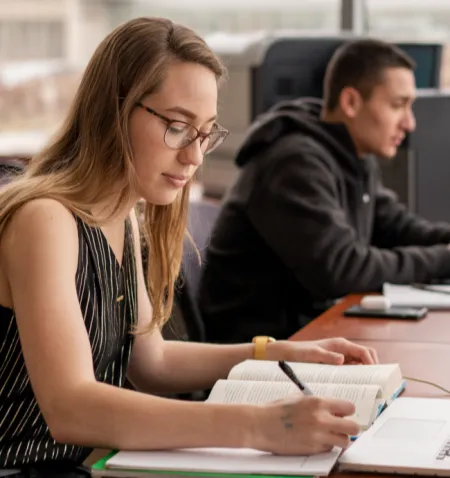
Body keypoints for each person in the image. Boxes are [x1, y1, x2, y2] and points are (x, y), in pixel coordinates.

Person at [0, 18, 378, 478]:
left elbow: (151, 361)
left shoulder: (120, 215)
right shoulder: (46, 219)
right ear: (113, 110)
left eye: (206, 133)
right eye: (179, 127)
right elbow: (72, 408)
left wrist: (276, 353)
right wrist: (258, 426)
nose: (195, 157)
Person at [199, 38, 450, 344]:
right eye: (398, 105)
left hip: (311, 335)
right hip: (262, 352)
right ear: (351, 102)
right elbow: (341, 270)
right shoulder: (294, 162)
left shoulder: (352, 156)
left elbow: (398, 228)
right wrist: (444, 259)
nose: (409, 123)